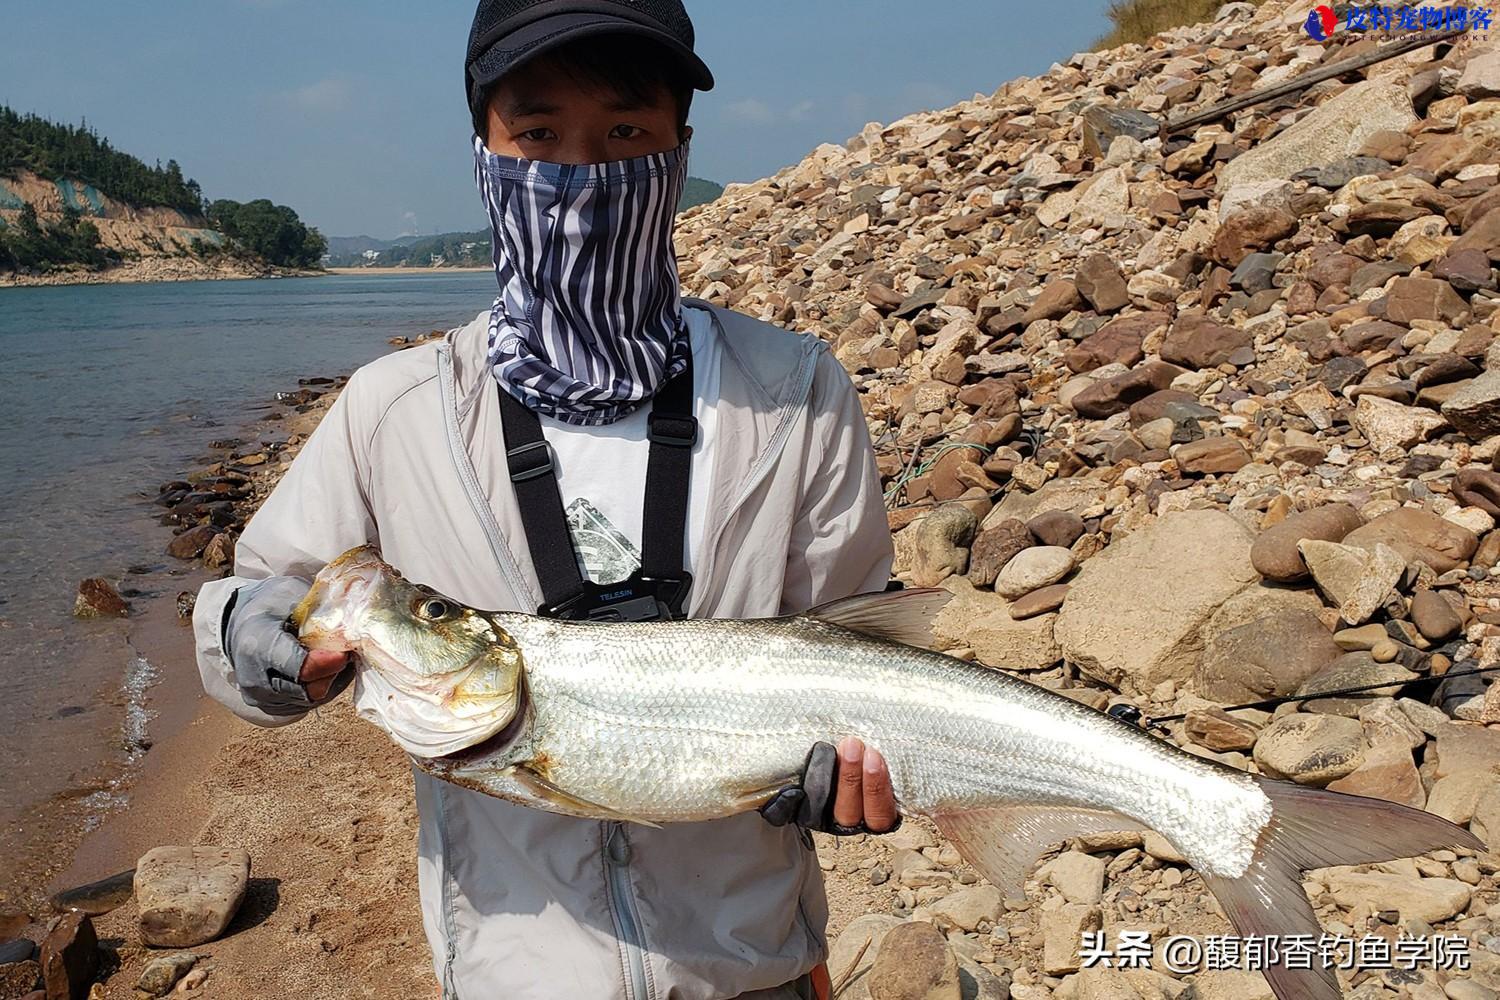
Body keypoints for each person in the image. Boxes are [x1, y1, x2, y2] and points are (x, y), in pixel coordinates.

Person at [192, 2, 899, 997]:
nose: (581, 176)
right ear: (483, 150)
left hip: (751, 970)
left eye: (624, 136)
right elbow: (256, 596)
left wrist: (859, 775)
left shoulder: (792, 392)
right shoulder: (394, 409)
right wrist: (258, 638)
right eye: (537, 134)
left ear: (678, 151)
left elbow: (862, 648)